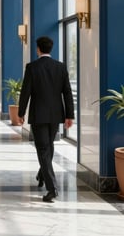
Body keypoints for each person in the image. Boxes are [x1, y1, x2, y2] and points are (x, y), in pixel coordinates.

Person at [18, 36, 74, 203]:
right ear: (51, 48)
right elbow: (67, 92)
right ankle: (42, 174)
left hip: (38, 115)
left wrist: (21, 113)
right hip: (56, 115)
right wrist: (69, 115)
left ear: (38, 49)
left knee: (43, 149)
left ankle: (52, 189)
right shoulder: (61, 67)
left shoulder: (32, 67)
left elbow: (25, 92)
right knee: (47, 147)